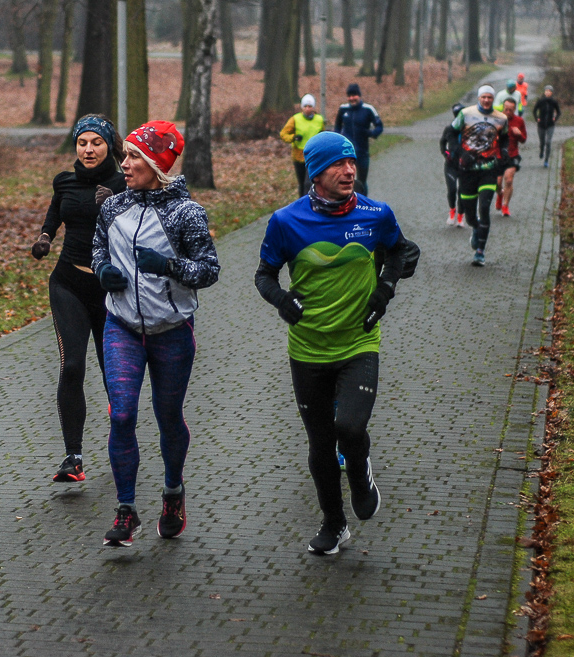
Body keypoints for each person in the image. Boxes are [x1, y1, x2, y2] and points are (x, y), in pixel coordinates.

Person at [255, 132, 420, 555]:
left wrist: (383, 294)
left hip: (358, 343)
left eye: (351, 163)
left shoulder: (376, 214)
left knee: (348, 427)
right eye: (337, 165)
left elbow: (401, 253)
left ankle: (361, 468)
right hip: (307, 348)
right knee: (319, 444)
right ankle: (334, 524)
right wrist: (282, 300)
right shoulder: (286, 221)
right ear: (315, 172)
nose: (349, 171)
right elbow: (264, 275)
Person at [92, 120, 220, 547]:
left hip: (172, 331)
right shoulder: (113, 207)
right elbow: (97, 246)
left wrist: (168, 266)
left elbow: (209, 270)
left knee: (168, 418)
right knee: (122, 413)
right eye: (124, 155)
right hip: (121, 327)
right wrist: (103, 270)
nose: (123, 164)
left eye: (132, 157)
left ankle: (172, 492)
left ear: (155, 163)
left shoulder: (187, 214)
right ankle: (126, 510)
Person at [32, 115, 128, 483]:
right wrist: (45, 237)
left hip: (108, 289)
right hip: (68, 283)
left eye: (96, 143)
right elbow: (56, 213)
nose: (88, 149)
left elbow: (137, 228)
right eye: (82, 142)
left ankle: (122, 443)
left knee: (112, 374)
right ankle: (73, 457)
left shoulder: (124, 184)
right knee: (72, 366)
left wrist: (115, 204)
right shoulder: (65, 182)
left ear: (108, 146)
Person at [452, 86, 509, 266]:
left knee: (484, 207)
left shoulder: (501, 118)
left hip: (488, 169)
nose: (486, 100)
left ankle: (480, 252)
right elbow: (452, 133)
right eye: (483, 97)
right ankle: (476, 228)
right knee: (469, 214)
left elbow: (505, 138)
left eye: (489, 98)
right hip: (468, 170)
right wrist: (460, 153)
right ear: (479, 98)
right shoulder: (466, 114)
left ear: (493, 99)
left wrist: (504, 152)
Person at [333, 83, 383, 196]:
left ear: (359, 96)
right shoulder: (343, 109)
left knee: (361, 181)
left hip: (362, 152)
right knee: (346, 181)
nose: (351, 98)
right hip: (346, 153)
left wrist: (371, 133)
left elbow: (379, 126)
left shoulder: (368, 109)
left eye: (354, 95)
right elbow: (337, 127)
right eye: (349, 96)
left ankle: (364, 204)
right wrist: (337, 141)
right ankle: (348, 204)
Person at [280, 94, 326, 197]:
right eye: (305, 106)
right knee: (301, 183)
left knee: (308, 183)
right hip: (299, 156)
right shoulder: (295, 119)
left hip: (314, 156)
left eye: (310, 106)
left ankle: (310, 202)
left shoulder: (319, 120)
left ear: (313, 107)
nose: (307, 109)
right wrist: (293, 137)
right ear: (302, 107)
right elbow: (283, 134)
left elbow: (323, 134)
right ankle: (302, 203)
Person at [496, 97, 527, 217]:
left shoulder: (519, 121)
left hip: (512, 154)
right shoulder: (498, 119)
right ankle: (500, 194)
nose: (508, 112)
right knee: (497, 183)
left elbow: (524, 140)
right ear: (503, 108)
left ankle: (505, 206)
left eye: (511, 110)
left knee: (508, 180)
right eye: (506, 109)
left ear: (515, 109)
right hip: (498, 155)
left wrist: (519, 134)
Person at [440, 103, 466, 226]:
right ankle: (452, 211)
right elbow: (442, 143)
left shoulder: (468, 129)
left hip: (465, 166)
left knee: (462, 191)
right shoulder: (449, 129)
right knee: (452, 189)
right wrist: (446, 154)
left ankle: (461, 216)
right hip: (451, 165)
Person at [532, 85, 561, 168]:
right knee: (542, 141)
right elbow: (534, 110)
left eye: (549, 91)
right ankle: (541, 151)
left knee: (548, 142)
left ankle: (546, 160)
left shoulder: (554, 102)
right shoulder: (540, 101)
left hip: (550, 125)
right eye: (546, 91)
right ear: (544, 92)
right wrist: (537, 118)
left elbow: (559, 112)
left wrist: (555, 118)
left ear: (552, 93)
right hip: (541, 125)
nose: (548, 92)